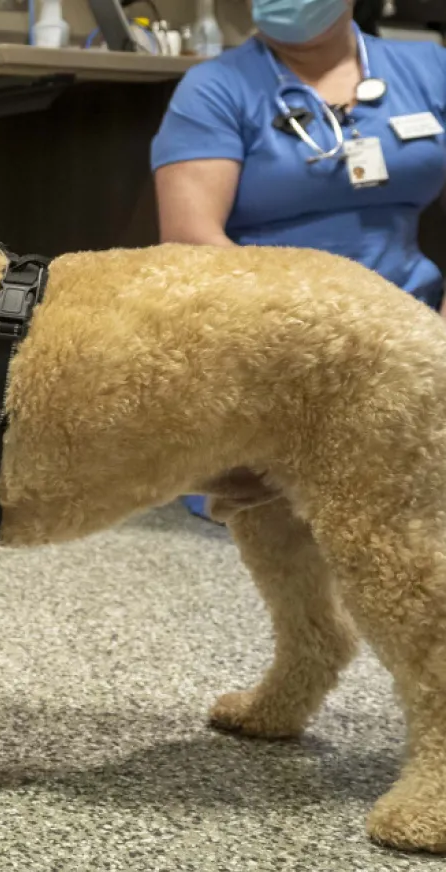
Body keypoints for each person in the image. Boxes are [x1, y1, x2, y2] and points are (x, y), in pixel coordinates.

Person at [151, 0, 446, 520]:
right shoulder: (216, 87)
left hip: (417, 333)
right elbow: (190, 242)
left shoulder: (429, 68)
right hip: (279, 350)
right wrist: (332, 337)